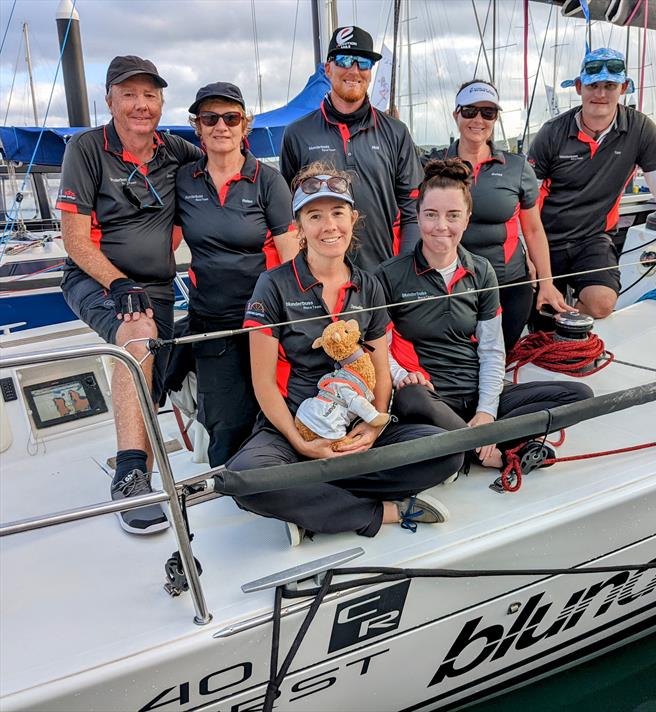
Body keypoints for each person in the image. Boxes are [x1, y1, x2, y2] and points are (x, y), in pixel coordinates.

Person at [225, 162, 463, 546]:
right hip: (295, 425)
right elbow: (264, 382)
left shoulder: (368, 285)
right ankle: (381, 511)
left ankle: (311, 503)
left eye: (337, 213)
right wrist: (301, 443)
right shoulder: (272, 285)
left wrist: (372, 429)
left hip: (355, 425)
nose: (328, 226)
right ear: (299, 226)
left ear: (353, 218)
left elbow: (382, 371)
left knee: (446, 452)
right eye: (314, 216)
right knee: (244, 479)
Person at [57, 56, 202, 534]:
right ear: (110, 100)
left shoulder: (176, 152)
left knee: (155, 374)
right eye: (130, 94)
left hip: (157, 284)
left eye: (150, 95)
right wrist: (117, 282)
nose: (141, 104)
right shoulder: (86, 148)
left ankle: (151, 447)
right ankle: (130, 476)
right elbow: (75, 241)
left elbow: (222, 166)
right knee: (138, 333)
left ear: (161, 102)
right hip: (96, 278)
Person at [376, 159, 593, 469]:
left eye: (452, 216)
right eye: (431, 215)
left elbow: (492, 350)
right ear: (418, 216)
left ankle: (473, 442)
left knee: (579, 395)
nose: (441, 226)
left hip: (480, 394)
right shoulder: (389, 275)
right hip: (432, 398)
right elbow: (379, 351)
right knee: (411, 397)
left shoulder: (481, 271)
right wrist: (401, 375)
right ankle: (493, 446)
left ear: (467, 219)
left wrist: (488, 410)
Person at [528, 48, 656, 319]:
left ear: (623, 88)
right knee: (539, 315)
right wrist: (526, 253)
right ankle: (549, 332)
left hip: (592, 238)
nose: (600, 94)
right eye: (593, 85)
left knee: (601, 304)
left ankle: (567, 334)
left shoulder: (640, 130)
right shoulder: (552, 133)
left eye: (609, 86)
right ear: (579, 87)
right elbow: (526, 200)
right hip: (546, 239)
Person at [176, 82, 293, 466]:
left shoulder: (267, 181)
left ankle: (278, 486)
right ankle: (232, 493)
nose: (221, 126)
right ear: (198, 127)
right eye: (210, 118)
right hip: (210, 322)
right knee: (225, 423)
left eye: (231, 117)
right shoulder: (183, 180)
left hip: (263, 321)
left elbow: (291, 254)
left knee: (273, 410)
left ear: (246, 125)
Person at [425, 80, 567, 351]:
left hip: (508, 287)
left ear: (495, 118)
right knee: (458, 368)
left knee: (497, 364)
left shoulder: (517, 167)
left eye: (487, 113)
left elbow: (534, 230)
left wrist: (546, 283)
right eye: (469, 111)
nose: (478, 119)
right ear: (456, 114)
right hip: (447, 288)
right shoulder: (431, 165)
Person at [280, 26, 423, 270]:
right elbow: (288, 214)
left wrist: (405, 270)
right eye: (344, 60)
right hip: (319, 279)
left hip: (383, 276)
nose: (354, 70)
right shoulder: (297, 133)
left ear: (370, 70)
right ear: (328, 68)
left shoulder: (396, 132)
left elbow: (413, 208)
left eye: (363, 62)